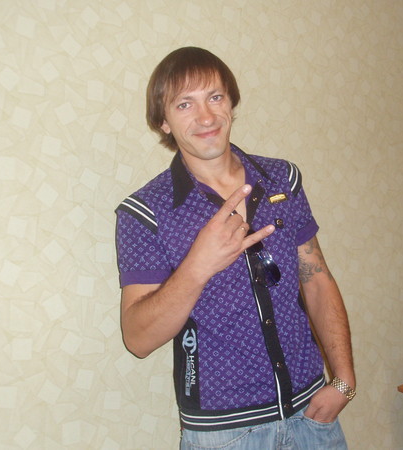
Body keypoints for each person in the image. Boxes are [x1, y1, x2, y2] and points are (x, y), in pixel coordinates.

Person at [115, 46, 355, 449]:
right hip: (226, 433)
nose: (206, 117)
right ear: (164, 121)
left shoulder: (282, 179)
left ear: (231, 103)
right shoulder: (145, 212)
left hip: (313, 415)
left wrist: (344, 380)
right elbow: (137, 339)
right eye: (185, 104)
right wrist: (198, 265)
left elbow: (316, 279)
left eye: (215, 97)